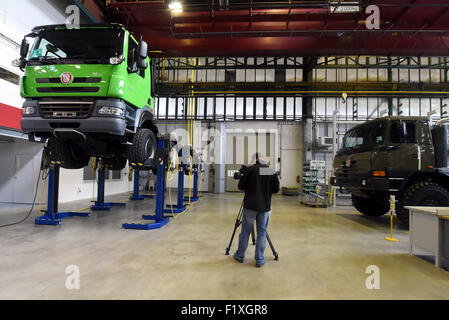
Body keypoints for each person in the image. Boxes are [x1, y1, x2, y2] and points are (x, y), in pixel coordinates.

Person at [233, 152, 280, 267]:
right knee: (262, 233)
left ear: (254, 160)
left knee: (245, 232)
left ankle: (240, 255)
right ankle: (259, 259)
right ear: (263, 159)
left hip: (250, 206)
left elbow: (241, 187)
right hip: (264, 207)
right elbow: (275, 189)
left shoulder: (250, 170)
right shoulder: (270, 171)